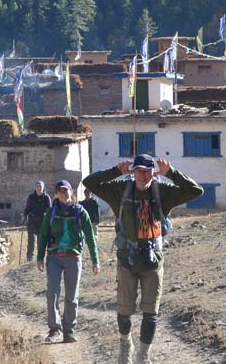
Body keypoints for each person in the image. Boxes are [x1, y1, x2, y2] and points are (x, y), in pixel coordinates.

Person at [84, 154, 203, 364]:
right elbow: (89, 183)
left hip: (153, 260)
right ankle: (125, 344)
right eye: (138, 170)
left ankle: (143, 355)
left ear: (153, 172)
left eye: (148, 171)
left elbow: (196, 191)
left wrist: (171, 173)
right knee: (124, 310)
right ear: (133, 171)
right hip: (126, 260)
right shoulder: (120, 189)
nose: (143, 175)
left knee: (151, 312)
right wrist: (116, 171)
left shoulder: (161, 191)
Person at [36, 179, 99, 344]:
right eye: (60, 191)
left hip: (73, 257)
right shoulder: (51, 212)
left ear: (71, 192)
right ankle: (54, 330)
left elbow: (90, 237)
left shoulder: (80, 212)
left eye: (66, 190)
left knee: (72, 296)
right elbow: (43, 234)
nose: (64, 194)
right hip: (54, 258)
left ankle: (69, 331)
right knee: (53, 293)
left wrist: (95, 260)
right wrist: (39, 257)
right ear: (56, 194)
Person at [23, 180, 52, 262]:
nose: (39, 188)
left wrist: (49, 220)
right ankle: (29, 258)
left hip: (42, 221)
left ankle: (40, 257)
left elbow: (50, 210)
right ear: (35, 188)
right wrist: (24, 216)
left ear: (43, 188)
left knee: (41, 240)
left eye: (40, 186)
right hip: (32, 221)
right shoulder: (31, 197)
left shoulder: (46, 197)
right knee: (31, 240)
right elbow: (27, 208)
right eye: (37, 186)